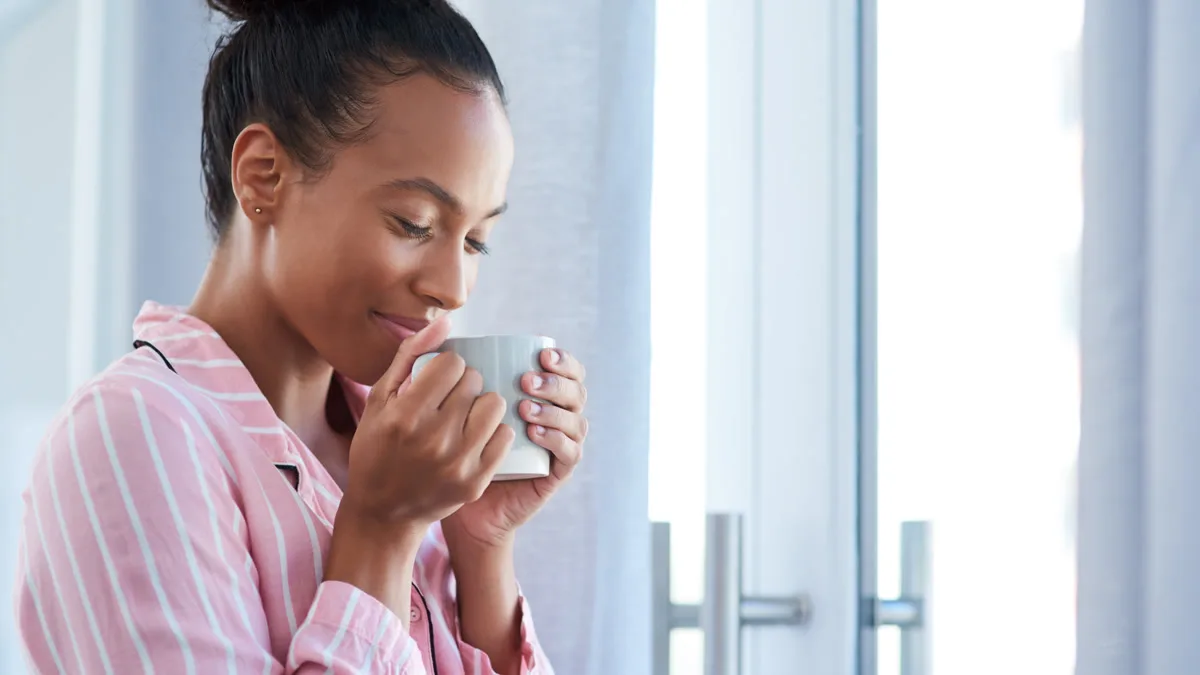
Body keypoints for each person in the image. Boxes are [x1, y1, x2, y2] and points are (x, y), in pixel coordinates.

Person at [14, 1, 588, 673]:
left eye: (475, 241)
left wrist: (479, 545)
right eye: (414, 222)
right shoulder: (130, 434)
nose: (453, 287)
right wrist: (377, 533)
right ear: (264, 175)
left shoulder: (401, 459)